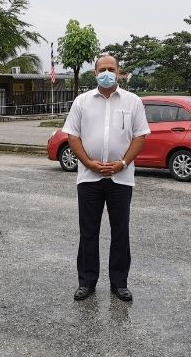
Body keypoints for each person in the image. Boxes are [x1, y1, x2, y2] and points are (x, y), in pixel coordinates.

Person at [62, 55, 150, 302]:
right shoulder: (82, 102)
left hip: (121, 178)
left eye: (111, 69)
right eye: (102, 69)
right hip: (89, 178)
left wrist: (122, 163)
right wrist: (88, 163)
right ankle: (87, 282)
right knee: (88, 231)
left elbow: (140, 136)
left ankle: (119, 283)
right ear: (95, 73)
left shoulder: (132, 101)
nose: (107, 73)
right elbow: (72, 136)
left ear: (119, 72)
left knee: (120, 231)